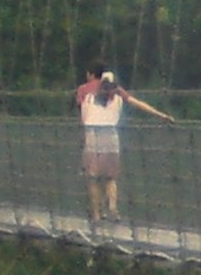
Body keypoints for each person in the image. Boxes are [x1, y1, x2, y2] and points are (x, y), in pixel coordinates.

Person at [73, 63, 175, 223]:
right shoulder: (117, 91)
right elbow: (138, 103)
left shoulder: (84, 89)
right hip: (111, 136)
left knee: (93, 178)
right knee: (110, 178)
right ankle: (112, 208)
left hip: (92, 135)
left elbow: (82, 112)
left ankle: (97, 215)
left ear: (91, 74)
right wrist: (161, 115)